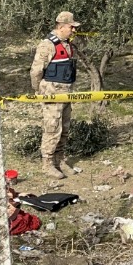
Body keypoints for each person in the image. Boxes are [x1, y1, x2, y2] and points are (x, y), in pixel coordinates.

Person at [29, 11, 82, 180]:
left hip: (66, 92)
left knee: (64, 128)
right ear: (61, 26)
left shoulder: (67, 44)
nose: (73, 30)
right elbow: (36, 71)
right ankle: (48, 164)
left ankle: (60, 160)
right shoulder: (47, 45)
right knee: (52, 128)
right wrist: (38, 91)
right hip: (51, 93)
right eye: (71, 27)